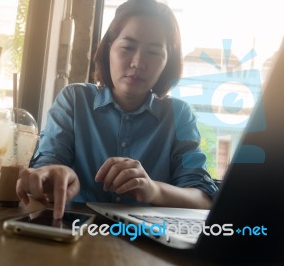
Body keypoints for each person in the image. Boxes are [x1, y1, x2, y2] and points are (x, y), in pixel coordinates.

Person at [16, 0, 218, 219]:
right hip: (74, 232)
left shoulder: (178, 115)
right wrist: (52, 176)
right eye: (128, 47)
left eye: (153, 52)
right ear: (109, 48)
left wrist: (153, 189)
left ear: (166, 63)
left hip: (145, 243)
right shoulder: (74, 99)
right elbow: (48, 165)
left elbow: (203, 198)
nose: (138, 62)